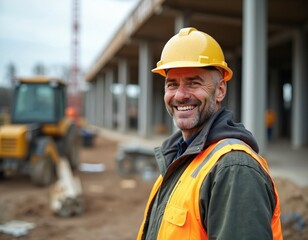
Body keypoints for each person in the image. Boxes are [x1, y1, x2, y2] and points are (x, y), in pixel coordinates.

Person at [137, 27, 282, 240]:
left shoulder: (233, 169)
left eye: (193, 83)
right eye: (172, 84)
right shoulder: (180, 157)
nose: (180, 95)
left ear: (220, 90)